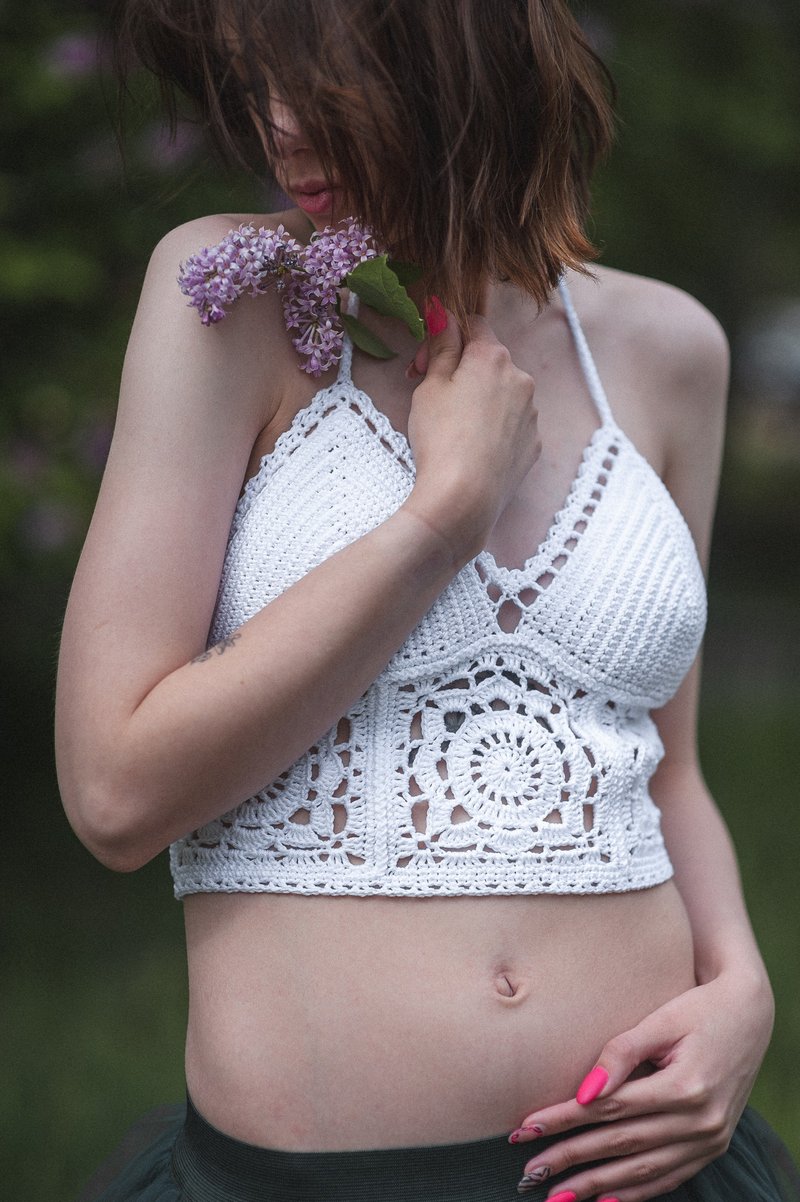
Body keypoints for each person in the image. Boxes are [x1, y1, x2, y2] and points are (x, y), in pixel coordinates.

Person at [56, 2, 798, 1200]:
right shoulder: (226, 300)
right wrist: (437, 519)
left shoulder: (672, 350)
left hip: (642, 1168)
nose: (281, 128)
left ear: (463, 60)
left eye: (321, 84)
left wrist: (740, 992)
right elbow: (113, 788)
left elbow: (667, 769)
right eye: (254, 87)